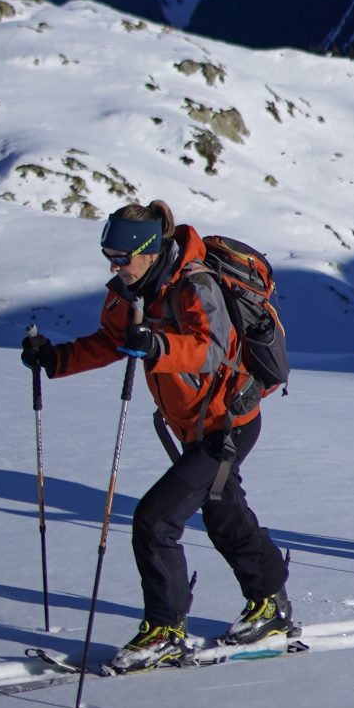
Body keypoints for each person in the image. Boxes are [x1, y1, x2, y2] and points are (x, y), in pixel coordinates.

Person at [22, 199, 291, 670]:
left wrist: (158, 344)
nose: (114, 266)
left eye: (121, 258)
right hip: (193, 425)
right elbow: (111, 340)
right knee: (225, 515)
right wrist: (56, 359)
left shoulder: (196, 285)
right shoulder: (131, 291)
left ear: (149, 250)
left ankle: (166, 631)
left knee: (155, 520)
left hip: (226, 424)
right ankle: (270, 606)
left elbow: (211, 350)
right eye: (109, 257)